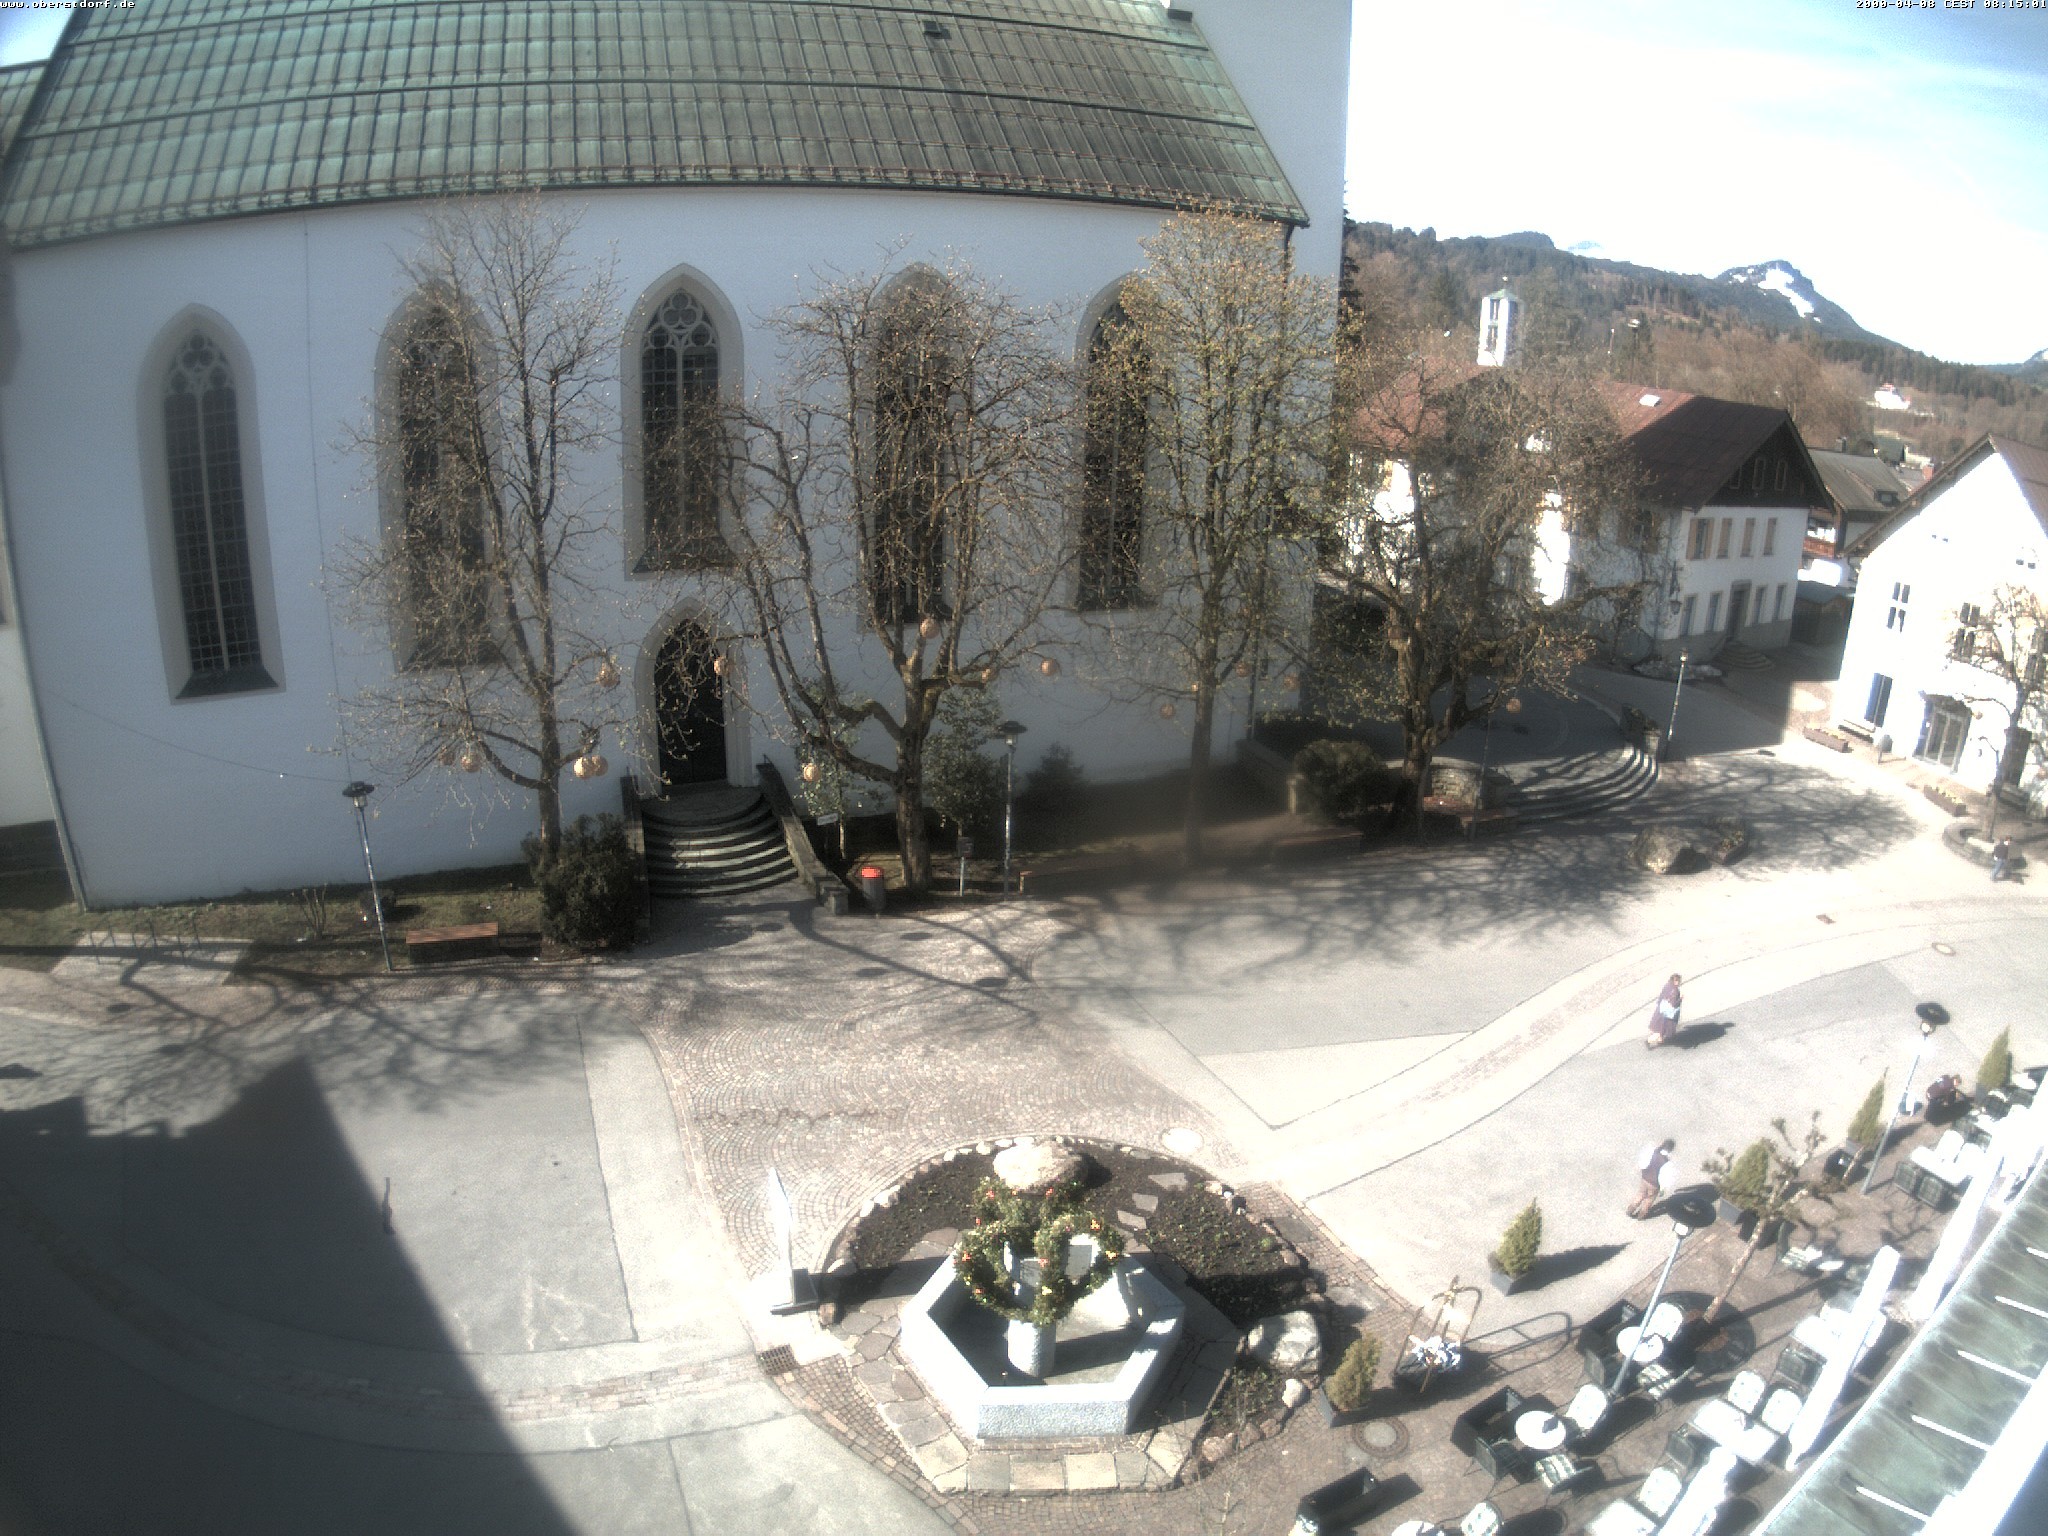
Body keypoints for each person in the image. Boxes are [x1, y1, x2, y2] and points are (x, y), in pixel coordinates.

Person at [1630, 1138, 1676, 1218]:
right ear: (1671, 1149)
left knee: (1640, 1194)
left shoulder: (1654, 1152)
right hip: (1654, 1184)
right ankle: (1641, 1215)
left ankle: (1630, 1210)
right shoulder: (1667, 1162)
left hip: (1645, 1178)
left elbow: (1643, 1163)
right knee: (1649, 1200)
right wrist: (1662, 1189)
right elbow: (1664, 1178)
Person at [1647, 973, 1682, 1048]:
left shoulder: (1667, 985)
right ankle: (1650, 1041)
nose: (1679, 982)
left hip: (1661, 1009)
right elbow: (1674, 1004)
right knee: (1663, 1028)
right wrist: (1680, 999)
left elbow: (1661, 996)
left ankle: (1660, 1038)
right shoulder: (1675, 990)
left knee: (1659, 1027)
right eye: (1679, 981)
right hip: (1668, 1013)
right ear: (1676, 981)